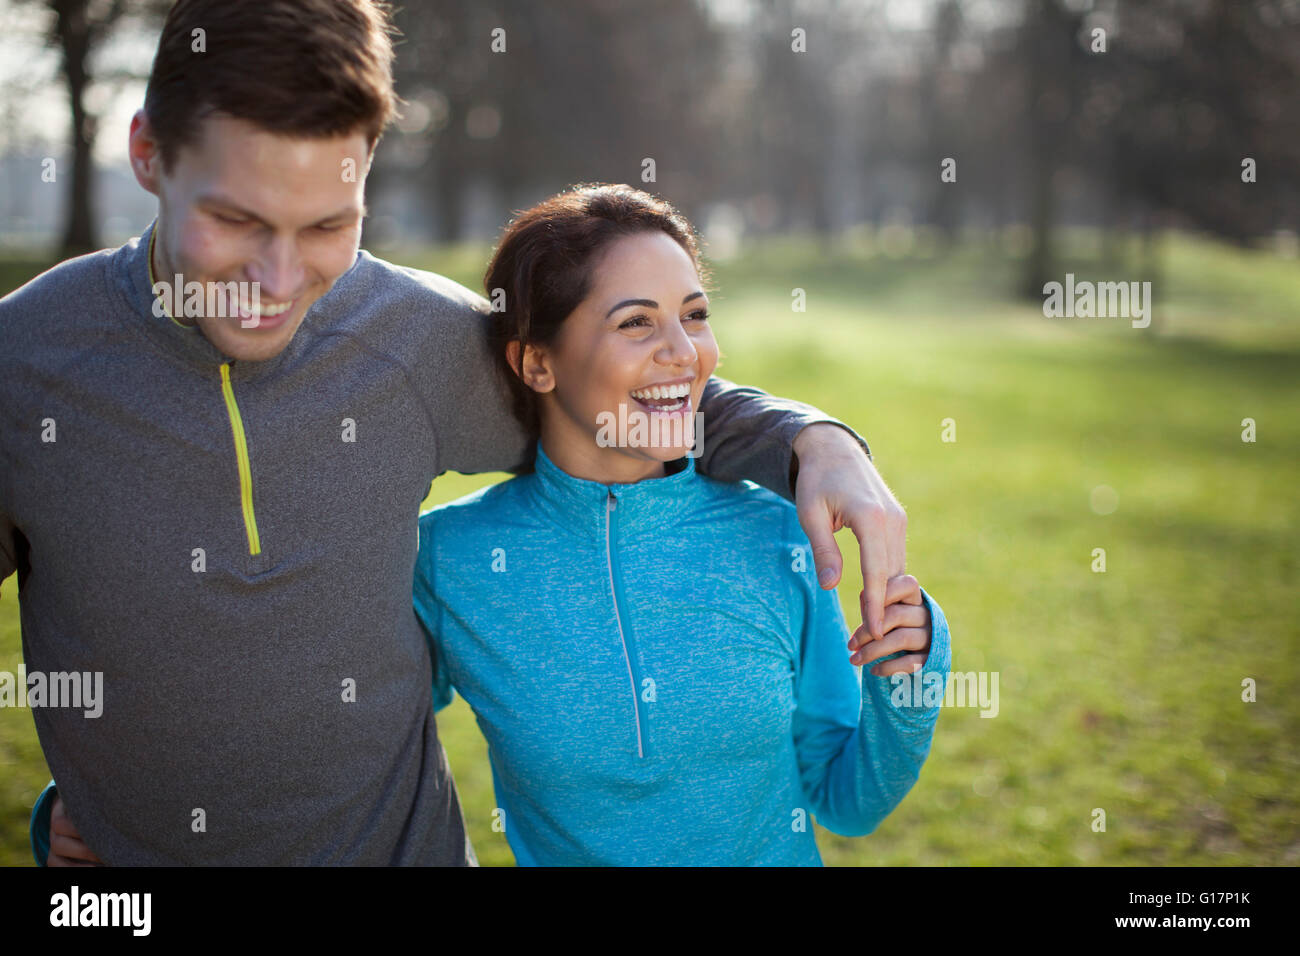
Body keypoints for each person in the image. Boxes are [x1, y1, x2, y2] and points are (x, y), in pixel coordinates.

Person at [3, 0, 908, 866]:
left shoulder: (418, 339)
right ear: (149, 153)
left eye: (328, 225)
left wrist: (810, 439)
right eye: (236, 221)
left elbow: (610, 395)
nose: (279, 278)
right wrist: (98, 794)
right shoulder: (24, 367)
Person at [412, 184, 949, 864]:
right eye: (636, 322)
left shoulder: (779, 535)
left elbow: (846, 800)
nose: (685, 352)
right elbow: (361, 744)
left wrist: (908, 678)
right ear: (536, 362)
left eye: (694, 316)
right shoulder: (450, 560)